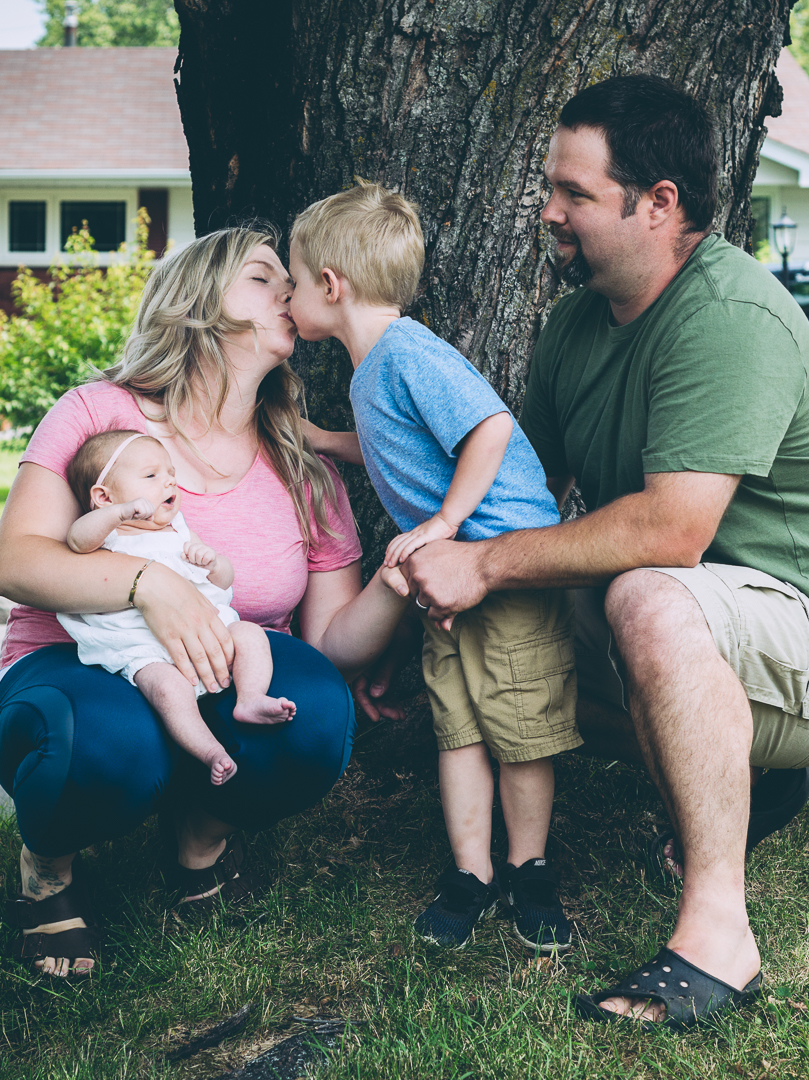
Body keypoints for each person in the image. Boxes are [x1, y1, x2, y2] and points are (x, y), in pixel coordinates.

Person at [389, 76, 809, 1027]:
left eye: (574, 195)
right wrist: (433, 624)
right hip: (713, 637)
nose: (548, 212)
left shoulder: (728, 315)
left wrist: (488, 565)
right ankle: (746, 775)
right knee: (507, 661)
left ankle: (720, 937)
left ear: (659, 203)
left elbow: (675, 533)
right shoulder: (573, 328)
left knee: (646, 594)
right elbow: (522, 498)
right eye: (553, 189)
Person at [0, 225, 408, 978]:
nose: (289, 289)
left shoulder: (304, 471)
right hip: (80, 662)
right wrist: (153, 586)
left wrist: (400, 578)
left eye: (292, 280)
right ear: (196, 305)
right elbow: (16, 561)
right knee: (115, 746)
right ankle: (47, 870)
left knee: (315, 711)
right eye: (261, 276)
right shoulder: (100, 418)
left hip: (220, 681)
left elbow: (330, 648)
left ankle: (199, 843)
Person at [291, 183, 580, 952]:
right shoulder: (370, 369)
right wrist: (324, 438)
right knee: (457, 727)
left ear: (329, 285)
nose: (286, 298)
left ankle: (530, 870)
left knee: (520, 729)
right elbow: (398, 443)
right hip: (444, 579)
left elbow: (488, 428)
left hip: (502, 564)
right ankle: (468, 875)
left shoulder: (408, 351)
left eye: (292, 281)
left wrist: (448, 523)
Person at [56, 429, 302, 786]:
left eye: (170, 473)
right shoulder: (109, 532)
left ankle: (250, 698)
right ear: (103, 496)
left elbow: (224, 580)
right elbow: (77, 540)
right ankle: (209, 751)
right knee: (169, 690)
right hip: (146, 649)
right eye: (152, 475)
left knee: (250, 635)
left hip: (209, 635)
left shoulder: (179, 531)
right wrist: (118, 513)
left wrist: (214, 563)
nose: (169, 481)